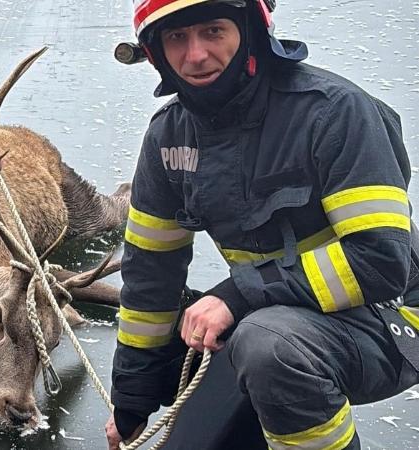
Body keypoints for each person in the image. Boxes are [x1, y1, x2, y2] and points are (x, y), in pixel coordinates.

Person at [106, 0, 419, 449]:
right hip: (277, 313)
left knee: (266, 344)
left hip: (391, 316)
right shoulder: (169, 137)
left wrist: (237, 295)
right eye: (177, 37)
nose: (195, 56)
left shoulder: (335, 112)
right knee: (212, 334)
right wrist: (131, 401)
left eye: (213, 31)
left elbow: (380, 262)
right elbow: (149, 278)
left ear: (251, 30)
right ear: (154, 52)